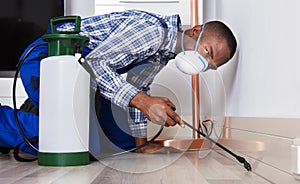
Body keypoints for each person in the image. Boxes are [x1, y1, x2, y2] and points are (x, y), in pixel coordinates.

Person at [0, 9, 237, 156]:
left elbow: (138, 88)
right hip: (51, 58)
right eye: (207, 52)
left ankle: (46, 110)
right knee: (80, 143)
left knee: (123, 142)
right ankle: (14, 122)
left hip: (81, 76)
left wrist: (141, 143)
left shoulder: (163, 54)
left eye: (210, 64)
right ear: (195, 31)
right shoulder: (154, 32)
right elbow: (96, 63)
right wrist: (144, 101)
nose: (203, 63)